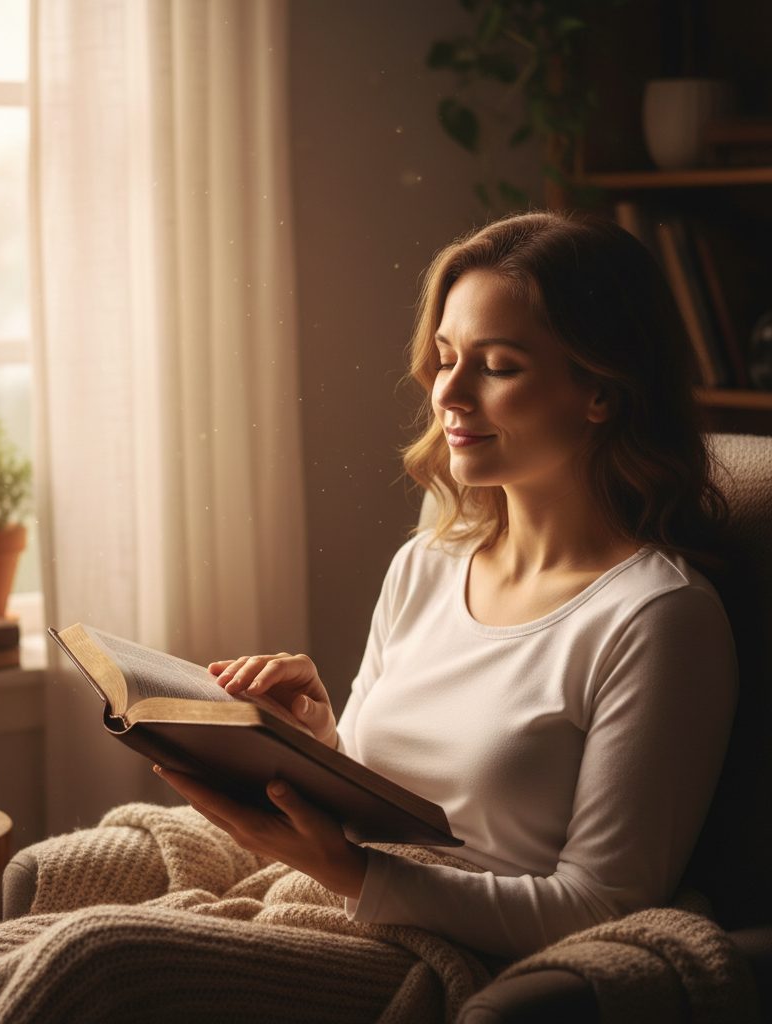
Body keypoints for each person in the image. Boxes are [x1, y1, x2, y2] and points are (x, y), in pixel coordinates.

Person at [156, 209, 737, 958]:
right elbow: (386, 807)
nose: (448, 393)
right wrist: (315, 742)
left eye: (497, 366)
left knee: (91, 963)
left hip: (442, 957)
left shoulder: (658, 619)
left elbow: (600, 907)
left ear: (602, 392)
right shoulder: (426, 565)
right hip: (347, 906)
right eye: (445, 355)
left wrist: (348, 870)